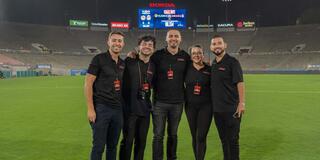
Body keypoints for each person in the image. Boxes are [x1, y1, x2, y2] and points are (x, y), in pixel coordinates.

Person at [84, 31, 126, 160]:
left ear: (123, 44)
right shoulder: (99, 59)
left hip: (118, 110)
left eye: (119, 41)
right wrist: (91, 109)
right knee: (98, 146)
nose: (117, 43)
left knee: (113, 146)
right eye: (114, 40)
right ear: (108, 42)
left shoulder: (123, 63)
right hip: (102, 108)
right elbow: (88, 83)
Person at [151, 29, 190, 160]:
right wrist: (133, 55)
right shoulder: (157, 55)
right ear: (166, 39)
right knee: (158, 135)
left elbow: (195, 70)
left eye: (176, 36)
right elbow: (145, 64)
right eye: (171, 36)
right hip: (159, 103)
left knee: (173, 134)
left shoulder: (185, 56)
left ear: (180, 39)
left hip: (178, 103)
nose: (173, 38)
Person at [119, 35, 156, 160]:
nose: (147, 47)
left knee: (141, 143)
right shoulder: (129, 61)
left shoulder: (153, 66)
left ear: (153, 49)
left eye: (150, 45)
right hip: (129, 110)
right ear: (139, 46)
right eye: (144, 44)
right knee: (127, 142)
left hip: (145, 111)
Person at [210, 35, 245, 160]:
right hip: (218, 110)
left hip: (232, 109)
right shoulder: (213, 63)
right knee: (224, 140)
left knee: (233, 140)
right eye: (214, 44)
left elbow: (240, 82)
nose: (217, 46)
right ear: (211, 47)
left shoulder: (232, 62)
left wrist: (242, 103)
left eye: (219, 43)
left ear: (225, 45)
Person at [184, 45, 212, 160]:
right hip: (190, 107)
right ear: (191, 56)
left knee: (201, 136)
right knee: (194, 136)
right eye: (194, 53)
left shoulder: (210, 69)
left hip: (206, 106)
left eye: (199, 53)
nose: (196, 55)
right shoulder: (186, 69)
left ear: (203, 55)